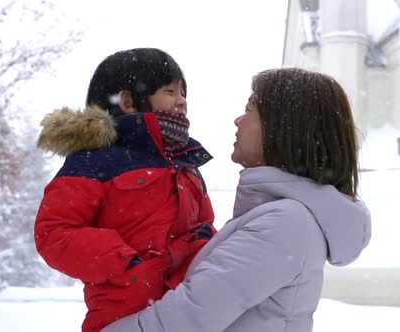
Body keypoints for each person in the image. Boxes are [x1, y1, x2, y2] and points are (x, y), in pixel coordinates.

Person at [102, 67, 372, 332]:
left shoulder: (284, 224)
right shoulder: (283, 219)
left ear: (283, 128)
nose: (238, 120)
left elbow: (181, 320)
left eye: (249, 109)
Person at [34, 48, 216, 332]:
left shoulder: (186, 163)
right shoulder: (94, 160)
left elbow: (203, 229)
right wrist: (126, 265)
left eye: (184, 93)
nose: (182, 102)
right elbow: (53, 233)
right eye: (170, 91)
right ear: (128, 101)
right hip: (120, 320)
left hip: (182, 318)